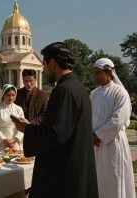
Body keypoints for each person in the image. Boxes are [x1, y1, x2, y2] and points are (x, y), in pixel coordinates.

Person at [12, 42, 98, 197]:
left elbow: (55, 134)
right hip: (77, 165)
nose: (43, 70)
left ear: (52, 63)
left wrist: (26, 128)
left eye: (44, 65)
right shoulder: (78, 87)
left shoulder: (64, 90)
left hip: (63, 173)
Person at [91, 58, 135, 198]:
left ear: (109, 72)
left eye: (98, 72)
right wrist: (92, 135)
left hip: (113, 144)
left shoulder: (120, 93)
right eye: (94, 72)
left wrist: (98, 135)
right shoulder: (94, 93)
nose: (95, 76)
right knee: (97, 181)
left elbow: (118, 120)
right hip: (96, 144)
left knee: (113, 180)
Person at [0, 84, 24, 151]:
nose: (11, 98)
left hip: (15, 143)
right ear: (3, 95)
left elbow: (22, 127)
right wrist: (5, 140)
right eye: (8, 95)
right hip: (0, 143)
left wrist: (14, 139)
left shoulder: (19, 109)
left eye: (13, 95)